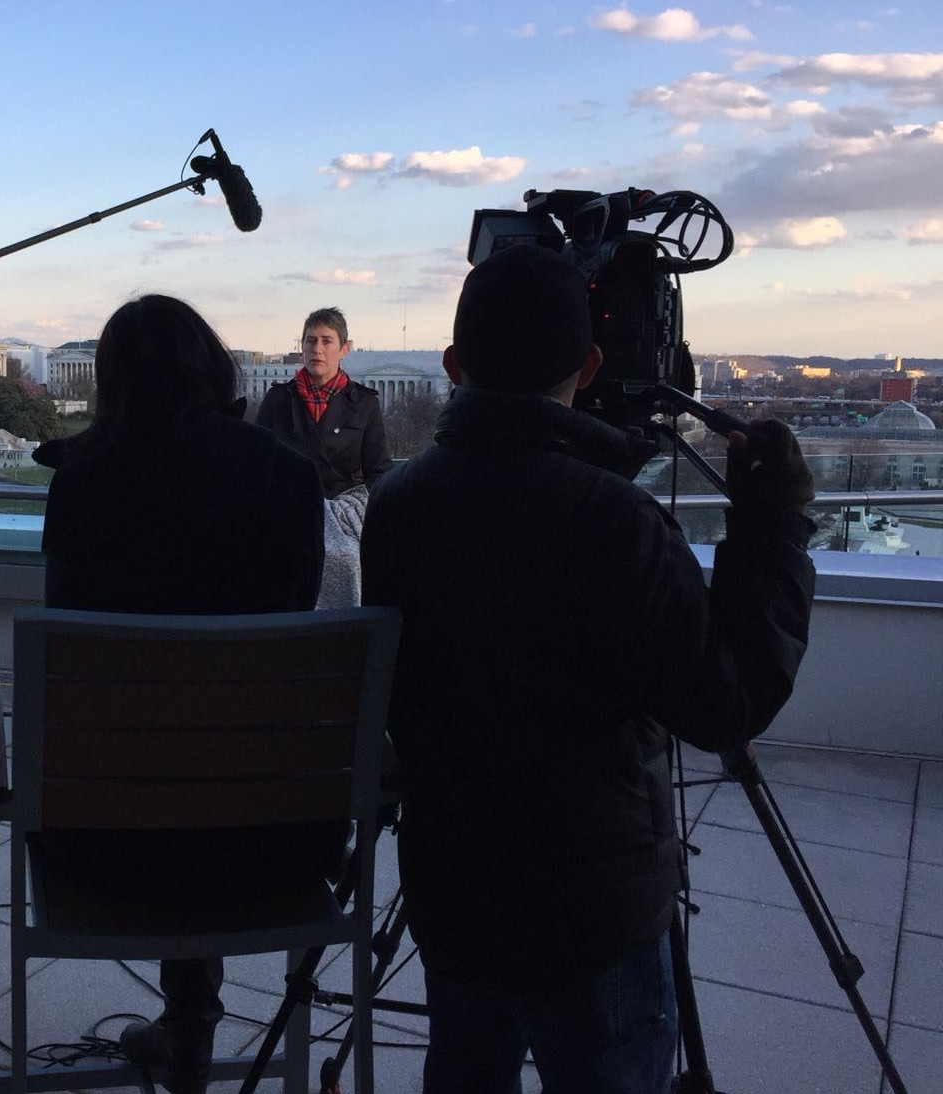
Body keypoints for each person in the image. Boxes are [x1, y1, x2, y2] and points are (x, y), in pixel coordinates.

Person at [359, 245, 815, 1094]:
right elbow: (727, 706)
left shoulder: (396, 505)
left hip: (453, 896)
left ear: (454, 365)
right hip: (593, 913)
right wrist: (775, 530)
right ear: (592, 365)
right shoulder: (619, 520)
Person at [33, 294, 336, 1094]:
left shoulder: (80, 482)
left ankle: (188, 1027)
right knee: (216, 745)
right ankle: (190, 1029)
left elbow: (71, 649)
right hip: (273, 842)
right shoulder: (288, 478)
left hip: (102, 846)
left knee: (162, 752)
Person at [255, 306, 391, 499]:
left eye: (326, 341)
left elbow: (379, 474)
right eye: (311, 341)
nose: (317, 349)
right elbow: (257, 463)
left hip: (343, 518)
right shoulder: (278, 400)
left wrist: (350, 508)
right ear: (302, 347)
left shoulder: (365, 404)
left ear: (344, 349)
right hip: (288, 513)